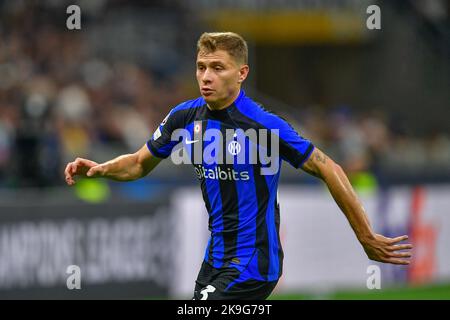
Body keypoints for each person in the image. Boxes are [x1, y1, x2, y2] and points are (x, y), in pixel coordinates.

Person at [64, 32, 413, 300]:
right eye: (202, 67)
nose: (207, 76)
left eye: (218, 68)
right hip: (216, 258)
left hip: (254, 261)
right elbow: (140, 163)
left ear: (242, 73)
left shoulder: (263, 125)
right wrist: (100, 168)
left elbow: (329, 167)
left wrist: (365, 235)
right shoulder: (184, 116)